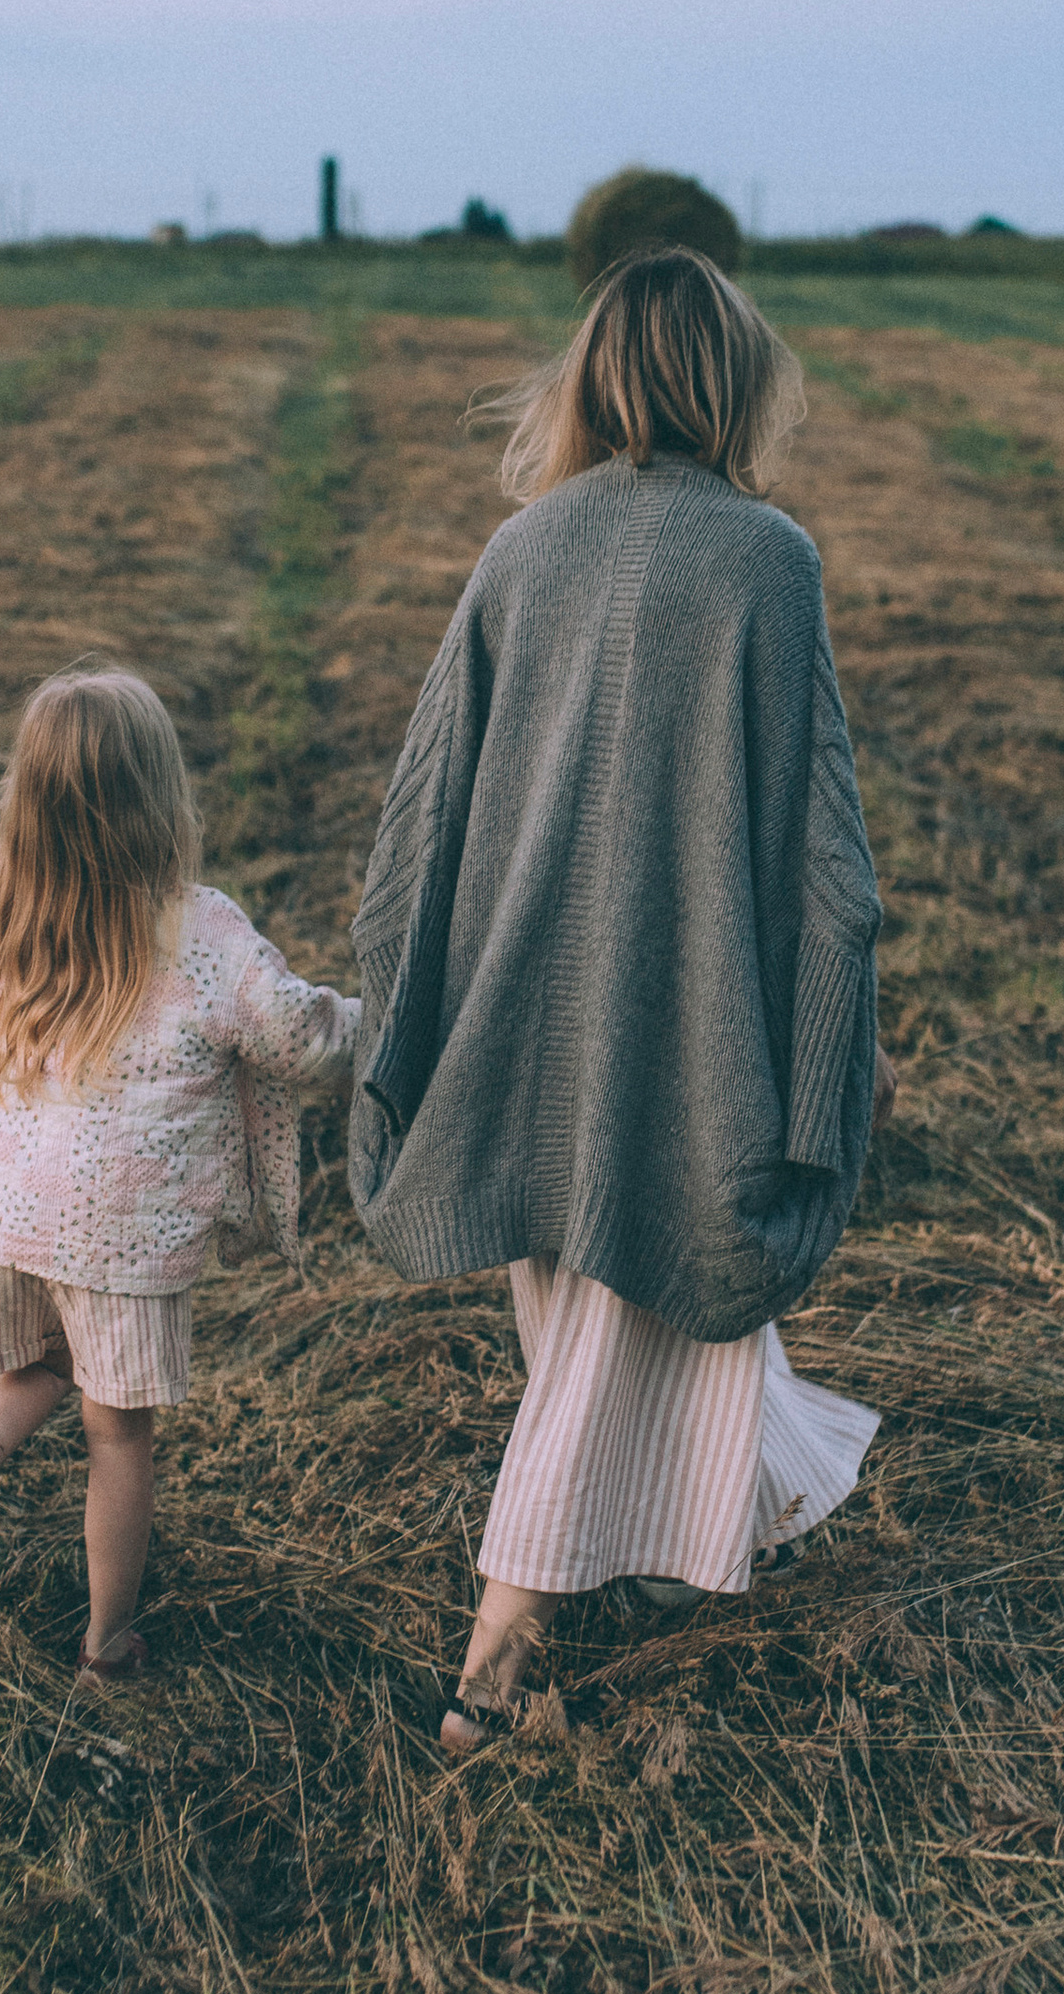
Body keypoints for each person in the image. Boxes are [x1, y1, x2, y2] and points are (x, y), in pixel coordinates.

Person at [348, 246, 894, 1758]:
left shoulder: (518, 554)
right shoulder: (769, 562)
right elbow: (828, 863)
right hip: (690, 1041)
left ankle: (673, 1550)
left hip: (519, 1025)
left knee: (621, 1325)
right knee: (619, 1335)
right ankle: (494, 1664)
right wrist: (837, 1047)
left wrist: (417, 1002)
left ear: (588, 377)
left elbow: (422, 820)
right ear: (735, 384)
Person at [0, 664, 358, 1670]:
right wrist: (377, 1033)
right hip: (124, 1234)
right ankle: (107, 1636)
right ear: (160, 796)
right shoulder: (197, 930)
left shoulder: (8, 924)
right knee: (117, 1433)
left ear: (26, 804)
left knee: (35, 1364)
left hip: (18, 1222)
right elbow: (298, 1038)